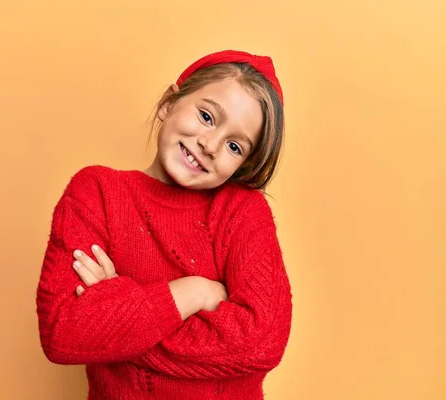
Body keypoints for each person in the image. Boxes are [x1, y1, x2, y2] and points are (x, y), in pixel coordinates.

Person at [36, 49, 293, 399]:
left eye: (235, 146)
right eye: (206, 116)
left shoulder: (243, 211)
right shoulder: (97, 192)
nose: (210, 144)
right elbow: (64, 331)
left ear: (242, 166)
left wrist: (121, 314)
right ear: (168, 103)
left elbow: (263, 342)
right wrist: (193, 292)